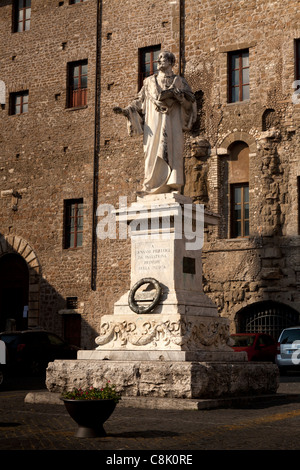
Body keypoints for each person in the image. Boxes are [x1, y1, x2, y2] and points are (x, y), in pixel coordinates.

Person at [113, 51, 197, 195]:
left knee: (172, 151)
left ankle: (172, 186)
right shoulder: (149, 82)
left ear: (171, 62)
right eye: (158, 59)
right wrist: (125, 111)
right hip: (153, 125)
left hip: (172, 124)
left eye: (162, 58)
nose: (158, 61)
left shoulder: (180, 82)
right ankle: (150, 186)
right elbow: (139, 102)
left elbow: (191, 106)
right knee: (151, 152)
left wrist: (181, 99)